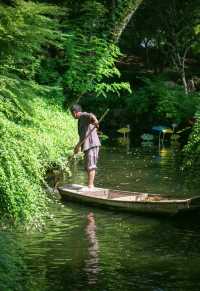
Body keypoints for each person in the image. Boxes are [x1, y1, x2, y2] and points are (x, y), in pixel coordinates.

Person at [70, 104, 101, 191]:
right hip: (87, 145)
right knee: (88, 166)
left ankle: (91, 186)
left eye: (71, 114)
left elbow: (90, 115)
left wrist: (96, 121)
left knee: (91, 166)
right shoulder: (80, 121)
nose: (72, 116)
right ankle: (90, 185)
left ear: (74, 113)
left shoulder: (82, 115)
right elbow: (83, 136)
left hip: (92, 144)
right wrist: (77, 147)